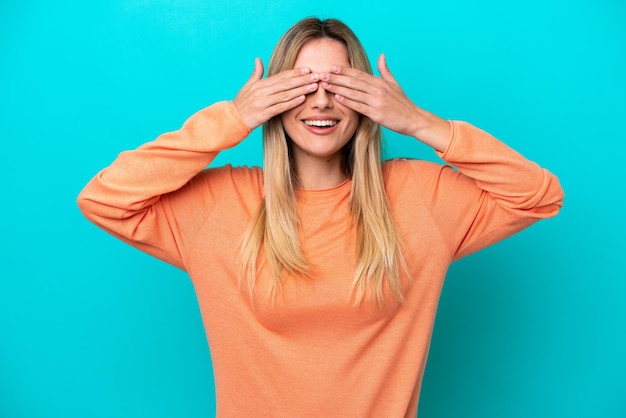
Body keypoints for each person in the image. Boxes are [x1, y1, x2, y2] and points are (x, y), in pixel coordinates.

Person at [77, 17, 563, 418]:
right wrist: (232, 118)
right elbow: (103, 198)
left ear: (369, 97)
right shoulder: (220, 206)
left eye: (341, 85)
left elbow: (539, 195)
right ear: (274, 96)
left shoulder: (419, 198)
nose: (322, 101)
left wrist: (419, 122)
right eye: (302, 85)